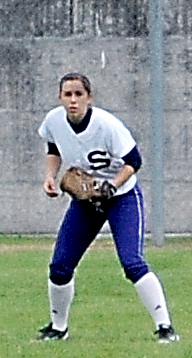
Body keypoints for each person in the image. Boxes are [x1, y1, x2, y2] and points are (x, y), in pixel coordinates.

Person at [37, 73, 178, 342]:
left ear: (89, 98)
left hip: (122, 196)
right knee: (60, 266)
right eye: (68, 94)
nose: (73, 100)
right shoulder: (54, 120)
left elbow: (134, 161)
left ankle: (165, 327)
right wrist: (49, 177)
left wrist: (112, 186)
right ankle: (58, 328)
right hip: (87, 201)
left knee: (132, 263)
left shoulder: (107, 125)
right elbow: (53, 148)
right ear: (60, 98)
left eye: (79, 94)